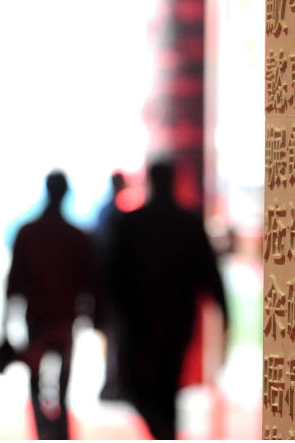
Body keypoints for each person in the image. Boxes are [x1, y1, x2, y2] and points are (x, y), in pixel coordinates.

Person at [108, 160, 229, 439]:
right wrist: (224, 312)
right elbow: (210, 273)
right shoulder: (187, 223)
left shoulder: (133, 223)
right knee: (167, 385)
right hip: (176, 321)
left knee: (144, 387)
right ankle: (165, 433)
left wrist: (116, 314)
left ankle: (163, 433)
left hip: (142, 323)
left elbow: (114, 276)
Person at [0, 171, 95, 439]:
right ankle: (57, 431)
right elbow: (90, 282)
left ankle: (44, 431)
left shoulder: (28, 233)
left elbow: (14, 282)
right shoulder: (77, 237)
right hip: (64, 319)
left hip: (38, 317)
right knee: (62, 383)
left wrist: (5, 325)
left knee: (36, 378)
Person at [92, 172, 126, 401]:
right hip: (113, 284)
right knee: (115, 337)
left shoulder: (106, 213)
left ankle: (112, 383)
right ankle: (112, 384)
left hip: (107, 283)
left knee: (112, 336)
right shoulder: (113, 214)